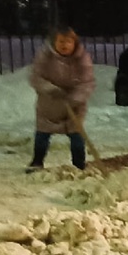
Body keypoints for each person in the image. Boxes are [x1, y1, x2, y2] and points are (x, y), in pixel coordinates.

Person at [27, 26, 96, 171]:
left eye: (69, 42)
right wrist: (51, 89)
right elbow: (35, 77)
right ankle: (37, 161)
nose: (65, 45)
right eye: (61, 41)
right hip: (49, 104)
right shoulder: (44, 56)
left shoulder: (82, 58)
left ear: (74, 43)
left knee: (77, 136)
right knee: (42, 135)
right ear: (54, 42)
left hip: (74, 106)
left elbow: (87, 82)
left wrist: (75, 98)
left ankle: (79, 165)